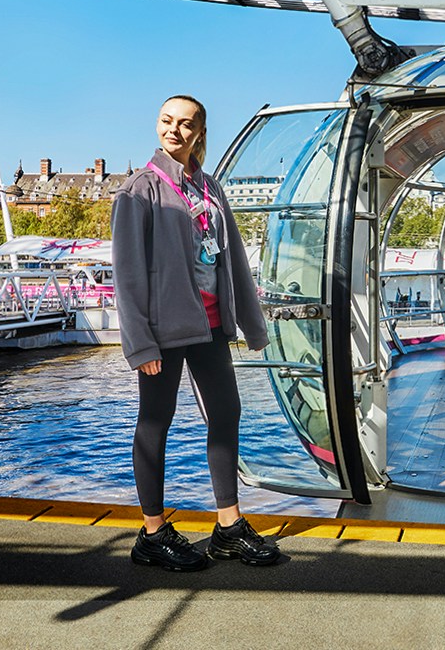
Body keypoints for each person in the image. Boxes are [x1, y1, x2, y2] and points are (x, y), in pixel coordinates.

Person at [112, 94, 280, 570]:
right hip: (163, 332)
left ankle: (228, 527)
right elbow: (127, 274)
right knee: (155, 422)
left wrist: (247, 322)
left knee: (227, 413)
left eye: (186, 124)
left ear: (200, 132)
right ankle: (152, 532)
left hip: (209, 325)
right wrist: (140, 342)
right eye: (167, 121)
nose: (175, 130)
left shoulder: (209, 187)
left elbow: (234, 262)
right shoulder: (138, 190)